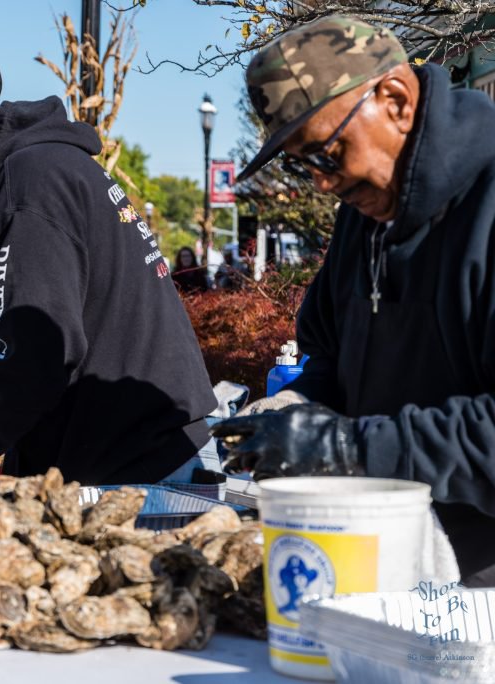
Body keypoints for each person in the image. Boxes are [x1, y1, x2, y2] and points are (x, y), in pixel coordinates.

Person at [209, 15, 495, 586]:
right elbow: (329, 357)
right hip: (381, 555)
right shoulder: (364, 214)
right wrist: (293, 407)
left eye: (326, 153)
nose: (321, 182)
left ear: (394, 100)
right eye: (301, 162)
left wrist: (346, 447)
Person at [0, 69, 217, 486]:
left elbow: (33, 359)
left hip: (139, 465)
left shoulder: (27, 184)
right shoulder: (43, 169)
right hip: (140, 448)